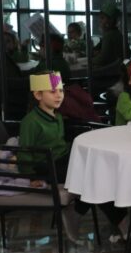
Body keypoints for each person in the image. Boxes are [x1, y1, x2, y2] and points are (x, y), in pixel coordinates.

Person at [18, 72, 94, 242]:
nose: (59, 95)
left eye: (61, 90)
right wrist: (31, 177)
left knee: (97, 166)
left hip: (62, 160)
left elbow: (60, 146)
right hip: (48, 167)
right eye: (52, 91)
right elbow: (24, 152)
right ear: (38, 95)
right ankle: (82, 213)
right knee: (94, 173)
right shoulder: (30, 122)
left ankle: (83, 212)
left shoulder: (58, 116)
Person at [91, 3, 124, 71]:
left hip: (111, 73)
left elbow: (103, 58)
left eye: (102, 18)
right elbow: (95, 50)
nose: (100, 21)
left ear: (111, 20)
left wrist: (90, 60)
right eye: (100, 18)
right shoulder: (116, 33)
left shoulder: (109, 35)